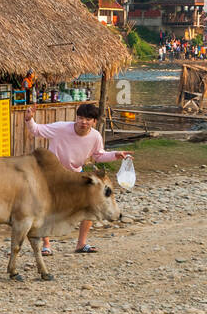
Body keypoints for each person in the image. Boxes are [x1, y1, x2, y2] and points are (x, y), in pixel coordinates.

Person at [24, 101, 130, 254]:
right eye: (80, 118)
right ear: (76, 118)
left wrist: (115, 155)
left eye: (87, 119)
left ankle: (81, 244)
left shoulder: (95, 136)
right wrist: (29, 119)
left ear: (94, 121)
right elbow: (37, 130)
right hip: (53, 173)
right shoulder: (61, 128)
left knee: (90, 205)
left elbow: (99, 155)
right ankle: (46, 245)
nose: (83, 122)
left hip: (76, 173)